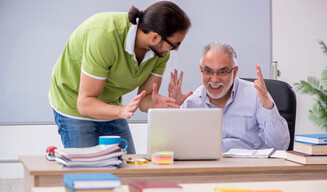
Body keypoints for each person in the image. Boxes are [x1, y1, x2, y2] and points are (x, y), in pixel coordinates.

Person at [49, 1, 191, 153]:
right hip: (73, 103)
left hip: (111, 104)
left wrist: (162, 104)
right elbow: (84, 104)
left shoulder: (161, 53)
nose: (175, 49)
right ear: (155, 37)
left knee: (127, 170)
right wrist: (121, 112)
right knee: (89, 172)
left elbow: (144, 101)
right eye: (175, 44)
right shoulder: (104, 37)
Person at [168, 42, 290, 152]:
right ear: (201, 70)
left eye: (222, 72)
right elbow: (173, 148)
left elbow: (280, 146)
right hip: (208, 171)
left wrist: (268, 106)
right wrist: (174, 111)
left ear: (235, 72)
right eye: (208, 71)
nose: (215, 80)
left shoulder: (256, 95)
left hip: (250, 170)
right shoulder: (191, 102)